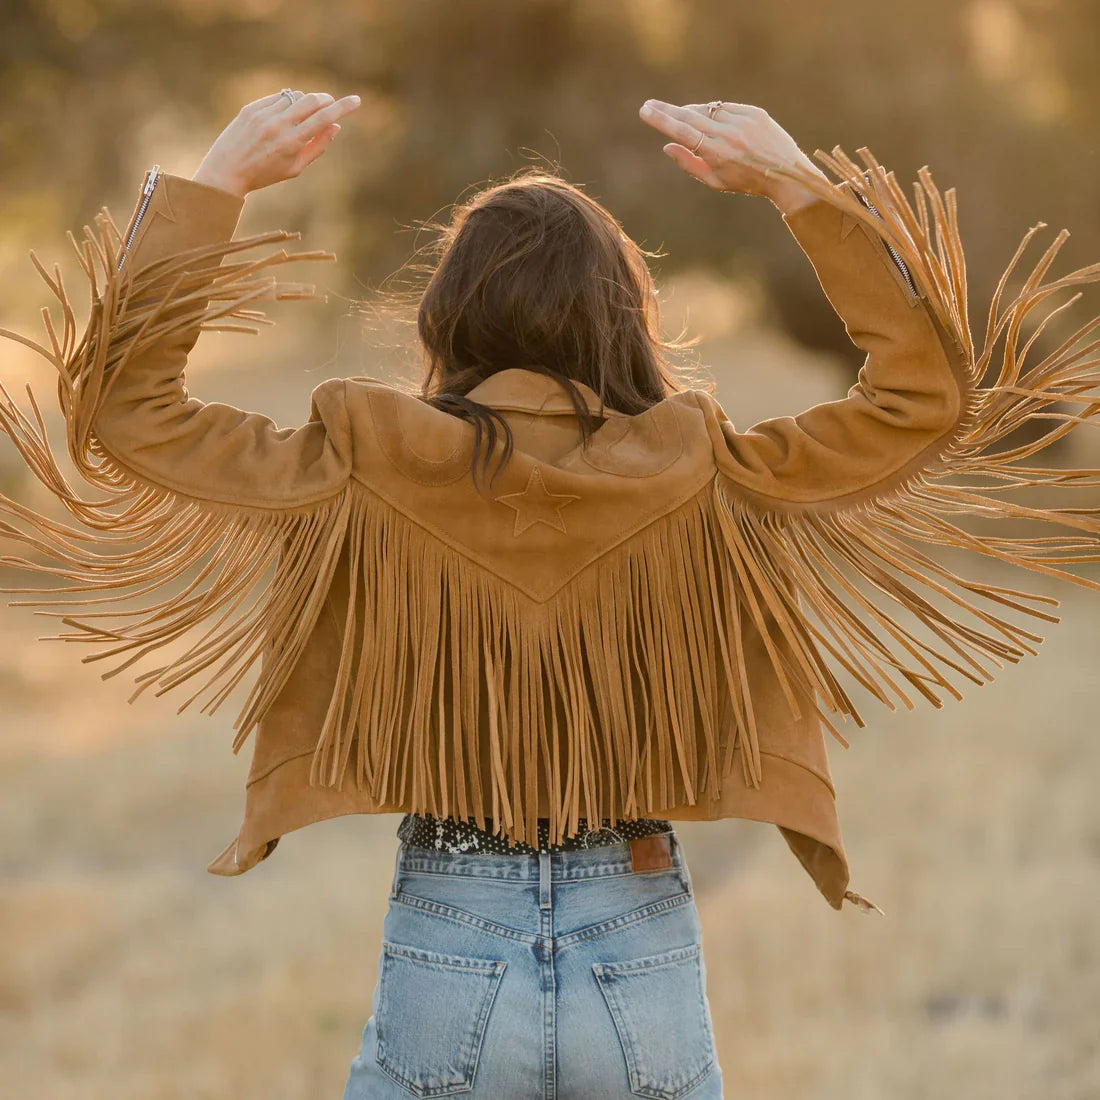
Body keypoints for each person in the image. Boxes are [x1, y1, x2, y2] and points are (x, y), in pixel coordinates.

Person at [3, 89, 1100, 1098]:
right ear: (624, 318)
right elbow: (923, 395)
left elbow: (124, 414)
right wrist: (796, 186)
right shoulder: (700, 465)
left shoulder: (365, 453)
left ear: (449, 318)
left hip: (451, 909)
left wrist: (212, 185)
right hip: (637, 917)